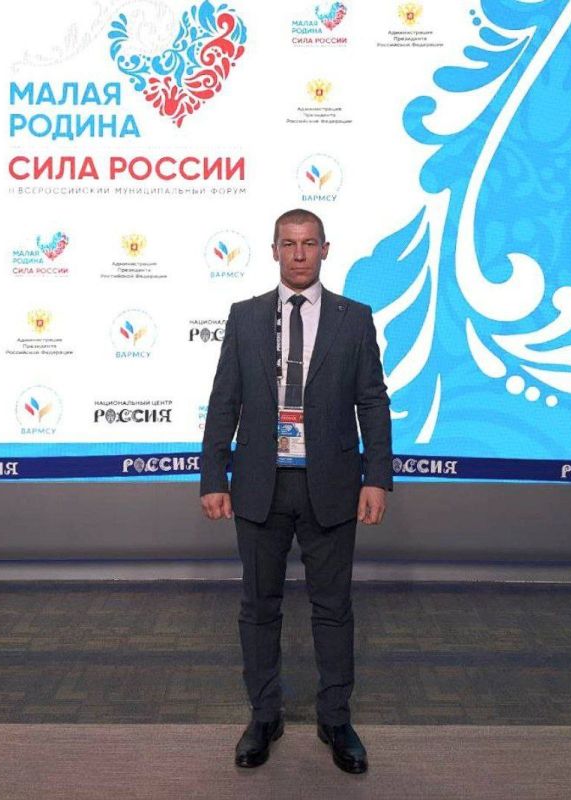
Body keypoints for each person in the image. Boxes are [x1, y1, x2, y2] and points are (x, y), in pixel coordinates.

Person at [200, 208, 392, 774]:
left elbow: (372, 402)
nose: (299, 253)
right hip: (260, 486)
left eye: (309, 243)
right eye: (289, 243)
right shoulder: (245, 317)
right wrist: (213, 476)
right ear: (274, 250)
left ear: (325, 249)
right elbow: (224, 401)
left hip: (331, 486)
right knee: (259, 608)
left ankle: (336, 719)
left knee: (333, 609)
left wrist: (376, 477)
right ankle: (265, 716)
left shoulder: (355, 318)